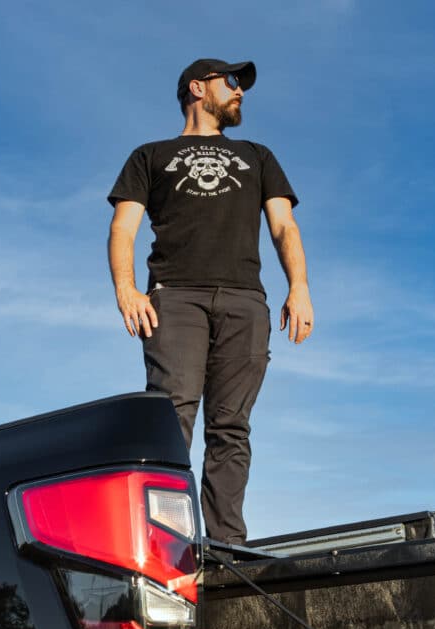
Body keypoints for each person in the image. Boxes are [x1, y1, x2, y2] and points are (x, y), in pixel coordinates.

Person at [107, 58, 314, 545]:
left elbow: (284, 225)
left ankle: (225, 547)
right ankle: (167, 544)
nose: (241, 91)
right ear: (198, 88)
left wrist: (299, 286)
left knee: (231, 429)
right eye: (232, 82)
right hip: (175, 298)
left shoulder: (257, 155)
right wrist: (126, 288)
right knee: (171, 417)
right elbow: (123, 227)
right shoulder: (150, 155)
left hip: (245, 300)